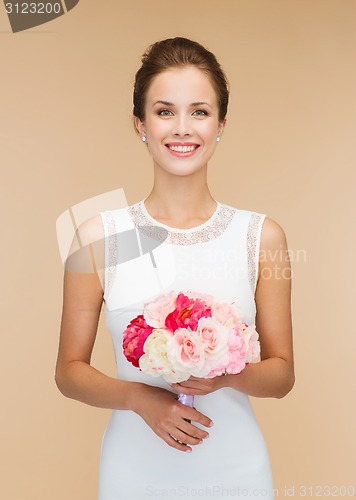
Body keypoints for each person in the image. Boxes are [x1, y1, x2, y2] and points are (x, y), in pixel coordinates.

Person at [55, 37, 294, 499]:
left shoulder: (262, 238)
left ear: (221, 124)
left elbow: (282, 375)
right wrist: (140, 398)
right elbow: (68, 370)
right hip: (133, 471)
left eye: (199, 112)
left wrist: (223, 374)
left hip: (237, 471)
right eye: (165, 111)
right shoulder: (97, 237)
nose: (182, 128)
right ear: (140, 124)